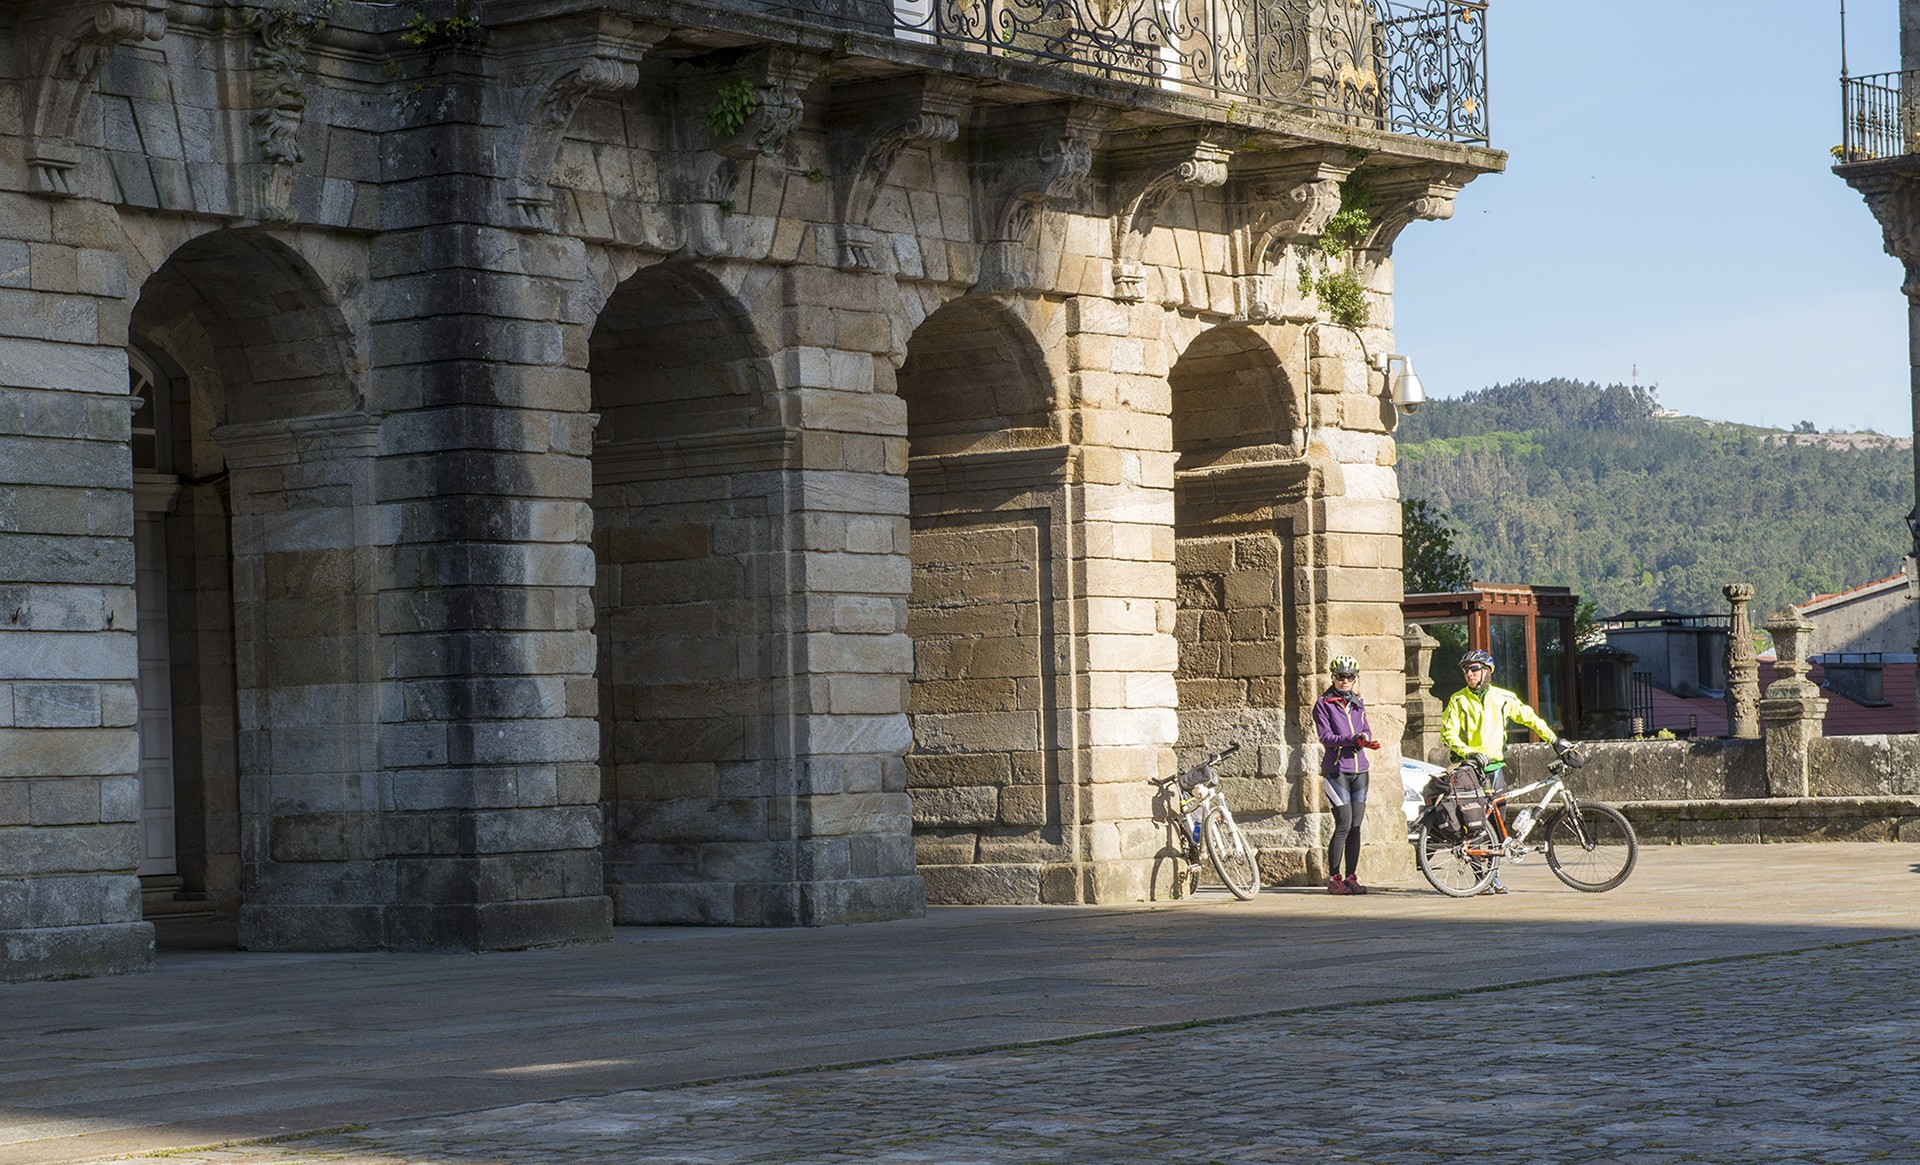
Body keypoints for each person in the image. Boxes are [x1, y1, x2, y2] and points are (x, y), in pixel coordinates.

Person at [1437, 648, 1578, 893]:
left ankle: (1494, 875)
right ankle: (1482, 879)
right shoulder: (1458, 700)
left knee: (1498, 821)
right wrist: (1468, 752)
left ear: (1487, 672)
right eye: (1466, 670)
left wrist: (1554, 740)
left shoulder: (1503, 698)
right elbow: (1447, 732)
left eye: (1474, 669)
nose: (1469, 674)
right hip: (1471, 768)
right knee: (1475, 822)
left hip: (1495, 768)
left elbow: (1529, 718)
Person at [1313, 655, 1380, 896]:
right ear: (1333, 677)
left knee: (1356, 825)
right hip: (1336, 769)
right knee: (1343, 822)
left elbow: (1365, 727)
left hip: (1359, 769)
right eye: (1340, 676)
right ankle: (1334, 877)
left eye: (1350, 677)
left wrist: (1366, 739)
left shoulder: (1358, 702)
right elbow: (1326, 737)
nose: (1345, 681)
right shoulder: (1323, 704)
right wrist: (1351, 739)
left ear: (1355, 679)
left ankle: (1351, 876)